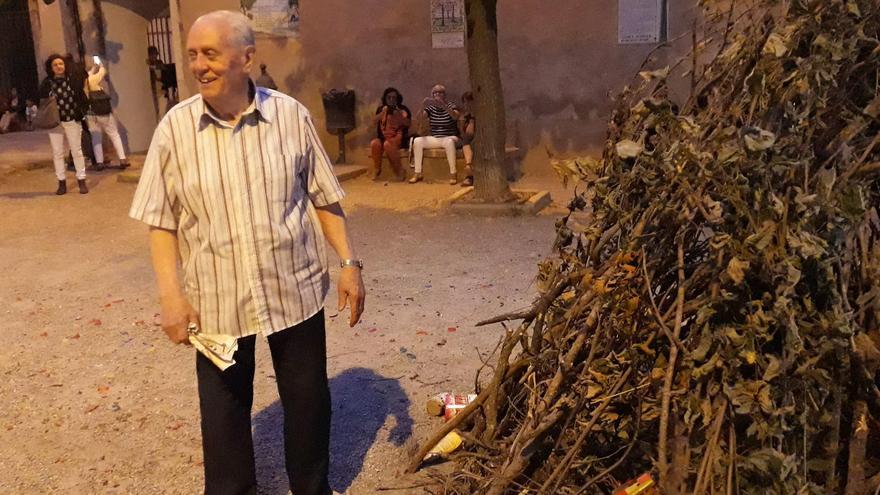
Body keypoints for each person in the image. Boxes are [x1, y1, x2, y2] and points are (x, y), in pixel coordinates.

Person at [129, 11, 364, 495]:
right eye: (193, 54)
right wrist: (171, 297)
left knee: (307, 403)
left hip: (292, 290)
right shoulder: (175, 130)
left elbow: (323, 197)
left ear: (247, 58)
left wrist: (348, 264)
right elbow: (160, 220)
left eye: (210, 53)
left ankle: (311, 488)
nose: (199, 65)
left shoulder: (290, 117)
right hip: (218, 300)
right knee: (223, 415)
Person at [39, 54, 89, 195]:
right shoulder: (47, 83)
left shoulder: (72, 79)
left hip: (72, 120)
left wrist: (83, 112)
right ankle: (61, 182)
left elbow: (82, 94)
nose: (59, 67)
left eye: (61, 63)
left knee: (77, 151)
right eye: (55, 65)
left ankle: (81, 180)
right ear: (51, 68)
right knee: (58, 153)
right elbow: (41, 100)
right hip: (55, 123)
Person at [409, 83, 460, 185]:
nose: (437, 94)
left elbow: (455, 116)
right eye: (435, 93)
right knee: (418, 141)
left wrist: (444, 106)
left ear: (444, 95)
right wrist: (423, 105)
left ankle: (453, 173)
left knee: (449, 142)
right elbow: (419, 118)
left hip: (450, 137)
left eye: (440, 92)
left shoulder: (451, 105)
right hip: (436, 138)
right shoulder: (431, 108)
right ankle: (417, 173)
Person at [84, 58, 129, 170]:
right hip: (102, 112)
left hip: (90, 114)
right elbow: (102, 71)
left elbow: (90, 74)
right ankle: (122, 158)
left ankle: (99, 162)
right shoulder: (92, 80)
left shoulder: (84, 81)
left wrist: (93, 68)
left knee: (96, 137)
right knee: (114, 134)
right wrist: (99, 63)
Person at [369, 87, 411, 181]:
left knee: (388, 145)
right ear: (385, 98)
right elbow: (373, 122)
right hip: (383, 137)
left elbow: (408, 123)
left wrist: (398, 115)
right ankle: (377, 169)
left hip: (399, 137)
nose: (391, 100)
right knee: (374, 144)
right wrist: (382, 113)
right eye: (389, 97)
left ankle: (399, 171)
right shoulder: (381, 109)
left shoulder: (403, 109)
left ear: (397, 99)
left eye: (394, 98)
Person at [459, 91, 476, 186]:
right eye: (465, 102)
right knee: (465, 140)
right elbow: (464, 133)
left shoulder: (479, 115)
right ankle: (468, 167)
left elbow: (471, 132)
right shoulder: (465, 116)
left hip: (478, 140)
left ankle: (469, 176)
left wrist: (472, 119)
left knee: (473, 145)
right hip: (467, 141)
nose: (467, 105)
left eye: (469, 102)